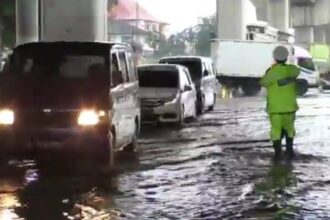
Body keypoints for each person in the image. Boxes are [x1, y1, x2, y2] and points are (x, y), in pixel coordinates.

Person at [260, 46, 300, 160]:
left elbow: (263, 82)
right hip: (290, 108)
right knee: (290, 129)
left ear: (274, 57)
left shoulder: (272, 72)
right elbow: (297, 70)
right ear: (286, 57)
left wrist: (271, 70)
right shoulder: (292, 70)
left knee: (276, 131)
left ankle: (278, 154)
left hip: (276, 109)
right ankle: (290, 152)